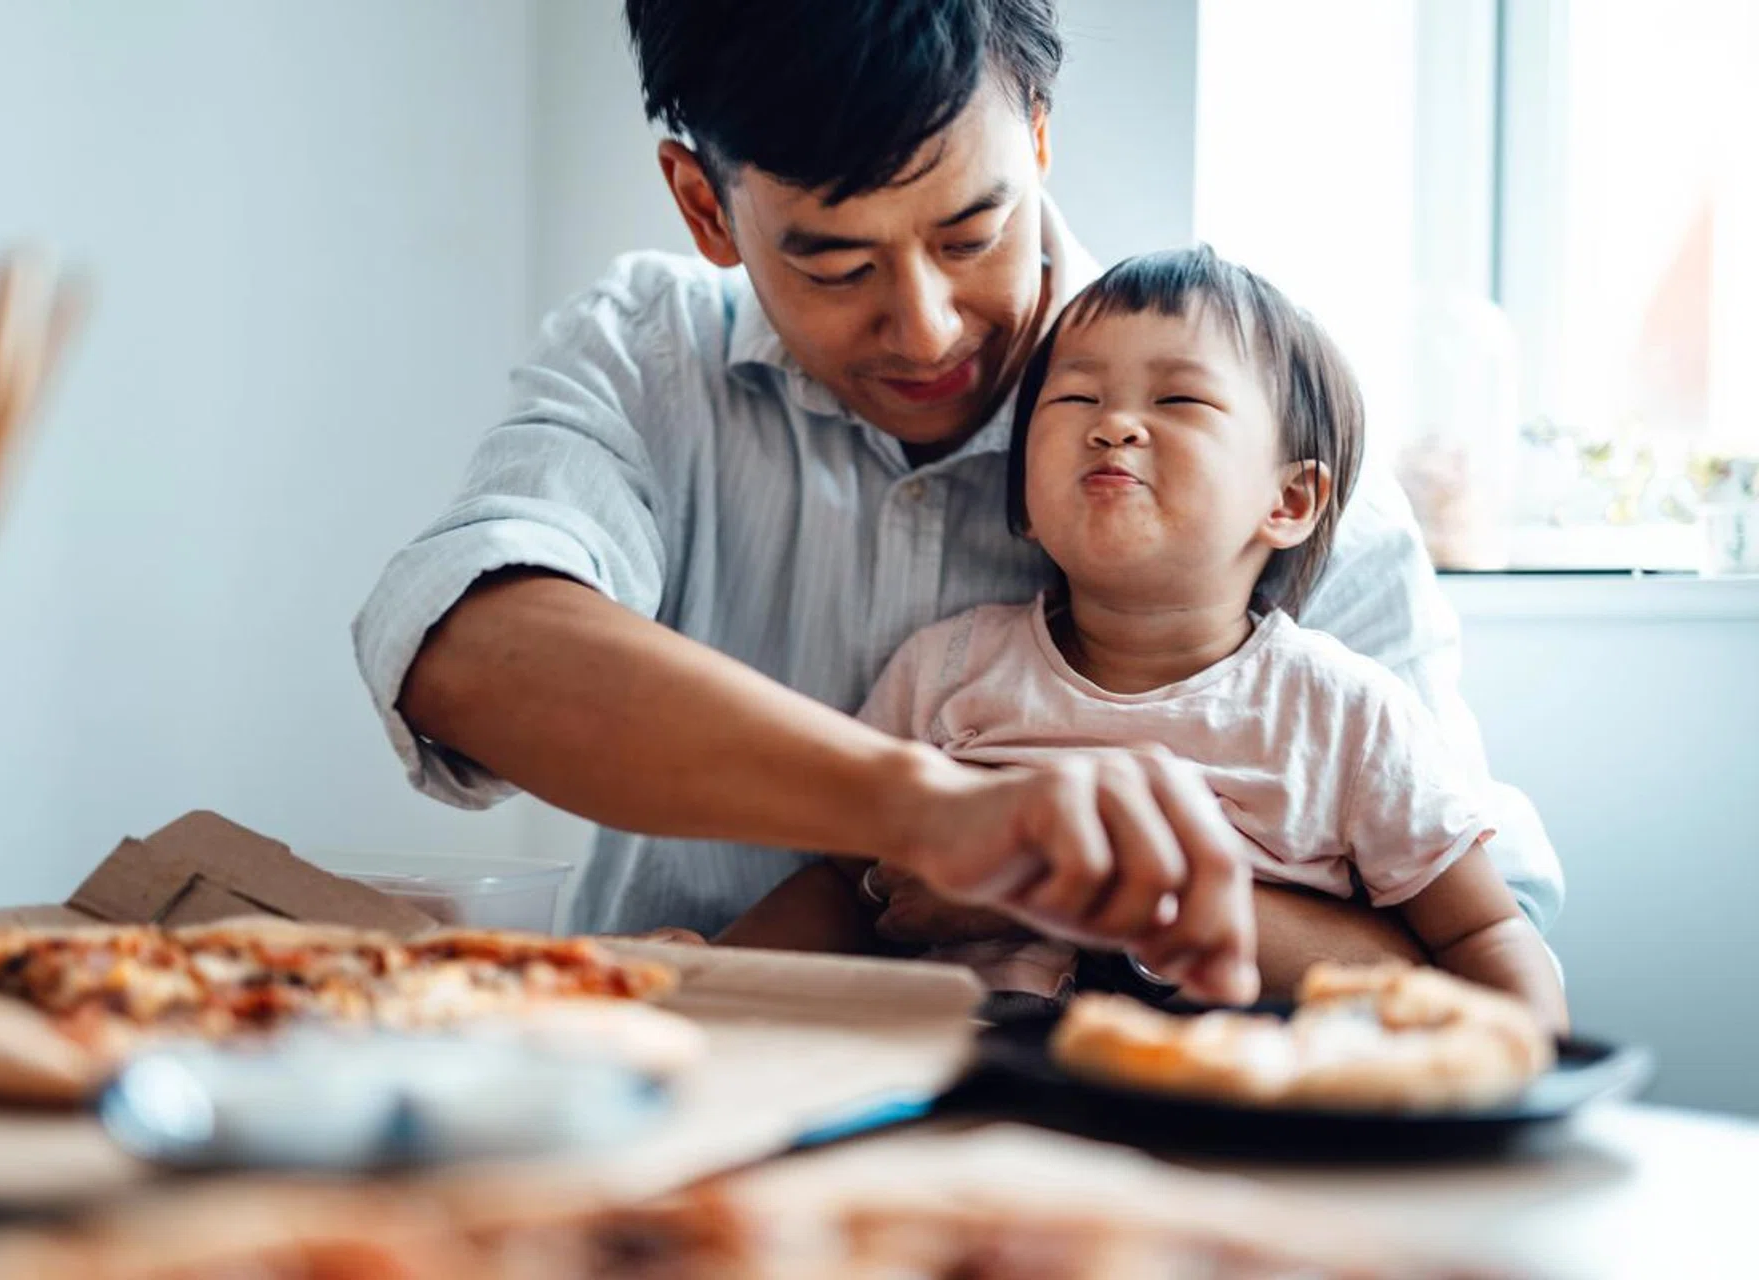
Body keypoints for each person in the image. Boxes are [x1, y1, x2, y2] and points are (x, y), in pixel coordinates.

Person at [351, 0, 1563, 1004]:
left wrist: (1084, 880)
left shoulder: (1276, 462)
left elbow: (1482, 977)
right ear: (705, 206)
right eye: (836, 262)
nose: (926, 326)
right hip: (695, 1100)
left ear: (1037, 137)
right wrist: (930, 817)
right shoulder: (649, 355)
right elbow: (467, 643)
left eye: (974, 232)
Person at [721, 247, 1569, 1029]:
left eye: (1179, 400)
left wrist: (1527, 1066)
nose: (1114, 425)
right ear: (1020, 496)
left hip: (1241, 1112)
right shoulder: (944, 670)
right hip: (973, 1099)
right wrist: (704, 978)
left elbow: (1482, 933)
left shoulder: (1345, 716)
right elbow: (840, 885)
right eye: (1077, 398)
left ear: (1291, 502)